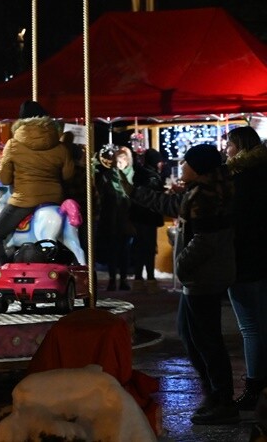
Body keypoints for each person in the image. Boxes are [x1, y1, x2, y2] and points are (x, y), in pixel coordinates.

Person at [125, 143, 238, 425]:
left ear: (197, 169)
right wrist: (134, 193)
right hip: (199, 278)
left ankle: (222, 399)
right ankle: (213, 393)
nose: (183, 167)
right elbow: (171, 205)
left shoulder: (206, 197)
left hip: (204, 278)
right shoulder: (196, 193)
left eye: (187, 163)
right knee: (190, 334)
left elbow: (205, 241)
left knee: (206, 339)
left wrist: (182, 263)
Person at [0, 100, 74, 267]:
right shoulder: (60, 147)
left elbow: (4, 179)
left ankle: (1, 271)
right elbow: (68, 175)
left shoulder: (13, 145)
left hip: (24, 201)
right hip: (55, 199)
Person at [224, 126, 267, 410]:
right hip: (262, 259)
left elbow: (236, 224)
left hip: (245, 261)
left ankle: (253, 385)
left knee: (251, 327)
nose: (226, 150)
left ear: (239, 147)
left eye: (229, 145)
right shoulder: (262, 175)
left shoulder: (240, 180)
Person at [93, 145, 135, 291]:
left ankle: (123, 279)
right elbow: (99, 195)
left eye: (124, 159)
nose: (121, 162)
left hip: (128, 218)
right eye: (118, 159)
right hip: (111, 219)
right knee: (113, 250)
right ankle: (112, 279)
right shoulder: (108, 176)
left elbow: (134, 194)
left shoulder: (132, 175)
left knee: (125, 251)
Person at [130, 149, 166, 293]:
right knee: (149, 248)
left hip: (137, 216)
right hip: (149, 217)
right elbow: (155, 196)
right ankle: (150, 280)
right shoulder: (152, 176)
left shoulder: (139, 173)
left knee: (139, 247)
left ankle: (138, 279)